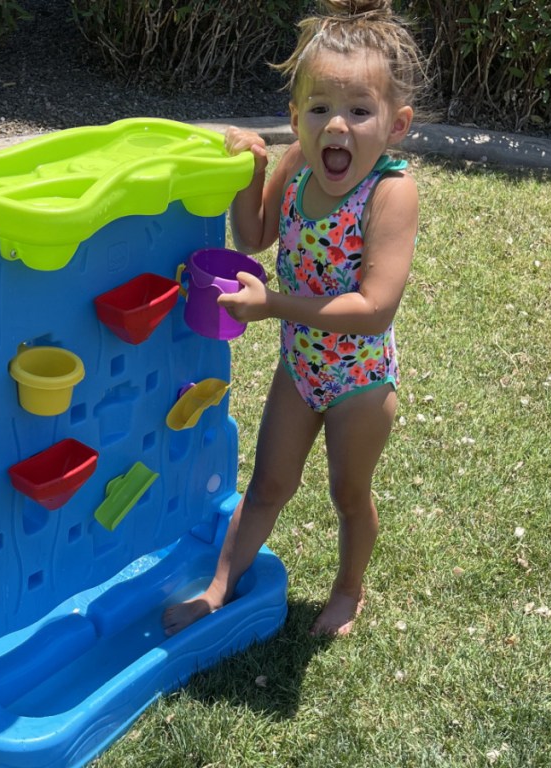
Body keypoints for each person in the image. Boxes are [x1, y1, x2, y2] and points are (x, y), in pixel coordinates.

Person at [163, 0, 425, 637]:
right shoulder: (298, 165)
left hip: (361, 382)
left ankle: (348, 588)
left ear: (395, 124)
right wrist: (249, 171)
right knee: (268, 482)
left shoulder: (390, 193)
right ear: (295, 118)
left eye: (360, 111)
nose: (336, 125)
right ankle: (220, 585)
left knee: (347, 495)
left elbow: (373, 309)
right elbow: (253, 235)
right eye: (318, 109)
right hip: (300, 368)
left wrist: (272, 305)